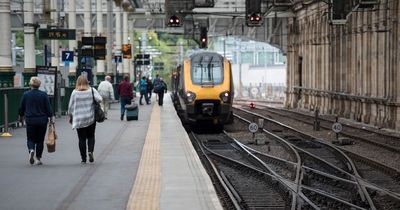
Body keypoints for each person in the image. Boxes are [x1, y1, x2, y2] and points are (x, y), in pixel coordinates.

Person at [19, 77, 53, 165]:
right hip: (42, 120)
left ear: (30, 84)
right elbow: (48, 109)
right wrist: (51, 118)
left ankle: (31, 150)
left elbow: (21, 108)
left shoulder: (26, 94)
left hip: (30, 120)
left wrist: (21, 117)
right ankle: (38, 158)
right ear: (39, 85)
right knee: (40, 140)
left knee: (30, 138)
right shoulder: (44, 94)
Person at [68, 75, 102, 164]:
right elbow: (100, 99)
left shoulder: (74, 93)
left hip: (79, 119)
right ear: (87, 82)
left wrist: (70, 115)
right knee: (91, 136)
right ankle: (90, 151)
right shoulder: (91, 90)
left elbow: (70, 106)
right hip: (90, 118)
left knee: (81, 139)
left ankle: (83, 159)